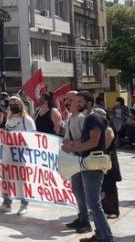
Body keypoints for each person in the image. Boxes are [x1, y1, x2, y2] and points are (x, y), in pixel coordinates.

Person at [63, 90, 113, 242]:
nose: (76, 104)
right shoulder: (89, 118)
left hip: (92, 165)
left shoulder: (93, 118)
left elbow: (93, 141)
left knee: (94, 204)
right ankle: (100, 235)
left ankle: (106, 237)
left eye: (80, 102)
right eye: (75, 101)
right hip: (88, 164)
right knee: (93, 203)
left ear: (89, 103)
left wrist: (73, 149)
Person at [0, 96, 35, 215]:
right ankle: (6, 203)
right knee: (6, 179)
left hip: (20, 156)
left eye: (15, 103)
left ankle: (24, 204)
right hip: (7, 155)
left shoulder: (26, 119)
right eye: (11, 104)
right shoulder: (9, 119)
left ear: (21, 104)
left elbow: (32, 137)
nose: (13, 106)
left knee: (21, 181)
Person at [63, 90, 92, 234]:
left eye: (69, 99)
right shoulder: (69, 117)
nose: (67, 102)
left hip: (83, 159)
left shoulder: (82, 118)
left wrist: (70, 145)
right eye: (66, 99)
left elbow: (85, 140)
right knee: (76, 190)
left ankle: (86, 222)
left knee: (84, 191)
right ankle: (81, 217)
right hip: (73, 159)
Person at [97, 108, 121, 219]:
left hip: (109, 162)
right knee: (102, 187)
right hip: (101, 162)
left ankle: (113, 210)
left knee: (110, 187)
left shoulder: (108, 130)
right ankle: (103, 208)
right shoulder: (98, 129)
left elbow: (105, 147)